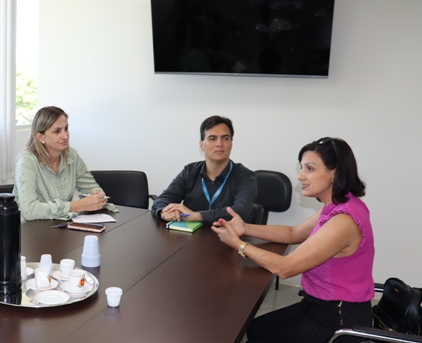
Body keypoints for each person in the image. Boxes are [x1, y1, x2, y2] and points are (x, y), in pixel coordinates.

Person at [211, 137, 374, 343]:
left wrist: (239, 244)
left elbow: (285, 269)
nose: (300, 176)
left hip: (338, 318)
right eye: (302, 168)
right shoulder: (337, 205)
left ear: (334, 173)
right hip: (316, 305)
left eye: (310, 169)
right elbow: (293, 233)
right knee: (256, 330)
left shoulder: (344, 221)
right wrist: (245, 228)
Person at [13, 106, 115, 221]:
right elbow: (29, 210)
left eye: (66, 128)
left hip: (60, 227)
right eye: (57, 131)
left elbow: (93, 188)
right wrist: (75, 206)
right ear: (40, 136)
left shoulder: (72, 155)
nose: (65, 135)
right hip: (31, 232)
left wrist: (96, 196)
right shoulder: (26, 161)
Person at [151, 115, 257, 224]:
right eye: (212, 138)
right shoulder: (190, 171)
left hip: (230, 237)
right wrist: (164, 212)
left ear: (231, 143)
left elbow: (240, 212)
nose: (219, 144)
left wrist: (197, 216)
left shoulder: (246, 176)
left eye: (225, 138)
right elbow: (162, 200)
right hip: (191, 237)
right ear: (202, 145)